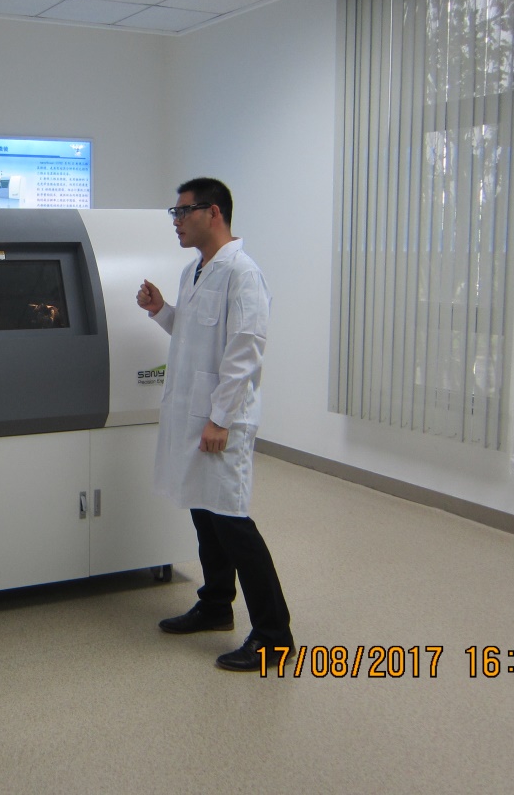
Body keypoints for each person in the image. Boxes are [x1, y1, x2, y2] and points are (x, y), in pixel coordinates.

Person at [136, 177, 293, 672]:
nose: (177, 221)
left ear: (214, 213)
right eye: (175, 213)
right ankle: (216, 605)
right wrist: (161, 311)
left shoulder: (243, 273)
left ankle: (274, 635)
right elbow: (191, 334)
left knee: (232, 522)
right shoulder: (195, 271)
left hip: (222, 422)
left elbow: (245, 351)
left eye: (183, 212)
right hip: (193, 416)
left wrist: (221, 419)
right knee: (204, 514)